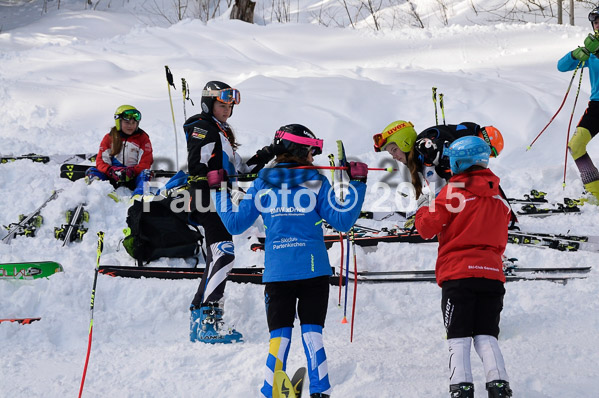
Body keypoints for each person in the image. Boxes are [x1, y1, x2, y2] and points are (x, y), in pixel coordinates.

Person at [208, 124, 367, 398]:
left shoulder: (261, 183)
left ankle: (271, 389)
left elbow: (235, 224)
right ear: (300, 150)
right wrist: (357, 184)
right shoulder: (317, 180)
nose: (313, 159)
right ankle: (320, 389)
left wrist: (217, 190)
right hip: (314, 270)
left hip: (278, 273)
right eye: (310, 152)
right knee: (312, 333)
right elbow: (343, 220)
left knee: (278, 338)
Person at [414, 136, 513, 398]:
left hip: (458, 274)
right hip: (492, 274)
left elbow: (426, 228)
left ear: (459, 161)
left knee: (458, 336)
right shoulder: (498, 195)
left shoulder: (453, 190)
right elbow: (502, 233)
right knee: (486, 335)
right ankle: (499, 385)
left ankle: (461, 387)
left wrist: (423, 206)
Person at [184, 81, 275, 344]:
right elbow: (196, 165)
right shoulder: (203, 127)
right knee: (224, 252)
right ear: (209, 104)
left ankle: (199, 319)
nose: (226, 110)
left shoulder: (221, 132)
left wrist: (270, 152)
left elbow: (243, 170)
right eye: (222, 105)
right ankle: (210, 321)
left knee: (217, 256)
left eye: (229, 106)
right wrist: (211, 181)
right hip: (207, 199)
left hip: (218, 198)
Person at [557, 6, 599, 203]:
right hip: (597, 107)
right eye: (595, 22)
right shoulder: (591, 50)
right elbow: (561, 66)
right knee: (576, 146)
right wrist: (578, 53)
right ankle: (596, 193)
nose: (598, 25)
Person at [85, 105, 154, 197]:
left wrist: (133, 171)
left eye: (134, 123)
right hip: (112, 177)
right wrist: (111, 171)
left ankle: (139, 196)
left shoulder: (143, 138)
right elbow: (101, 161)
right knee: (92, 171)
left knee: (146, 174)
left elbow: (146, 162)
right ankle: (101, 194)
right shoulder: (109, 138)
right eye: (127, 122)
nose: (131, 126)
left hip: (133, 177)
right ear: (119, 122)